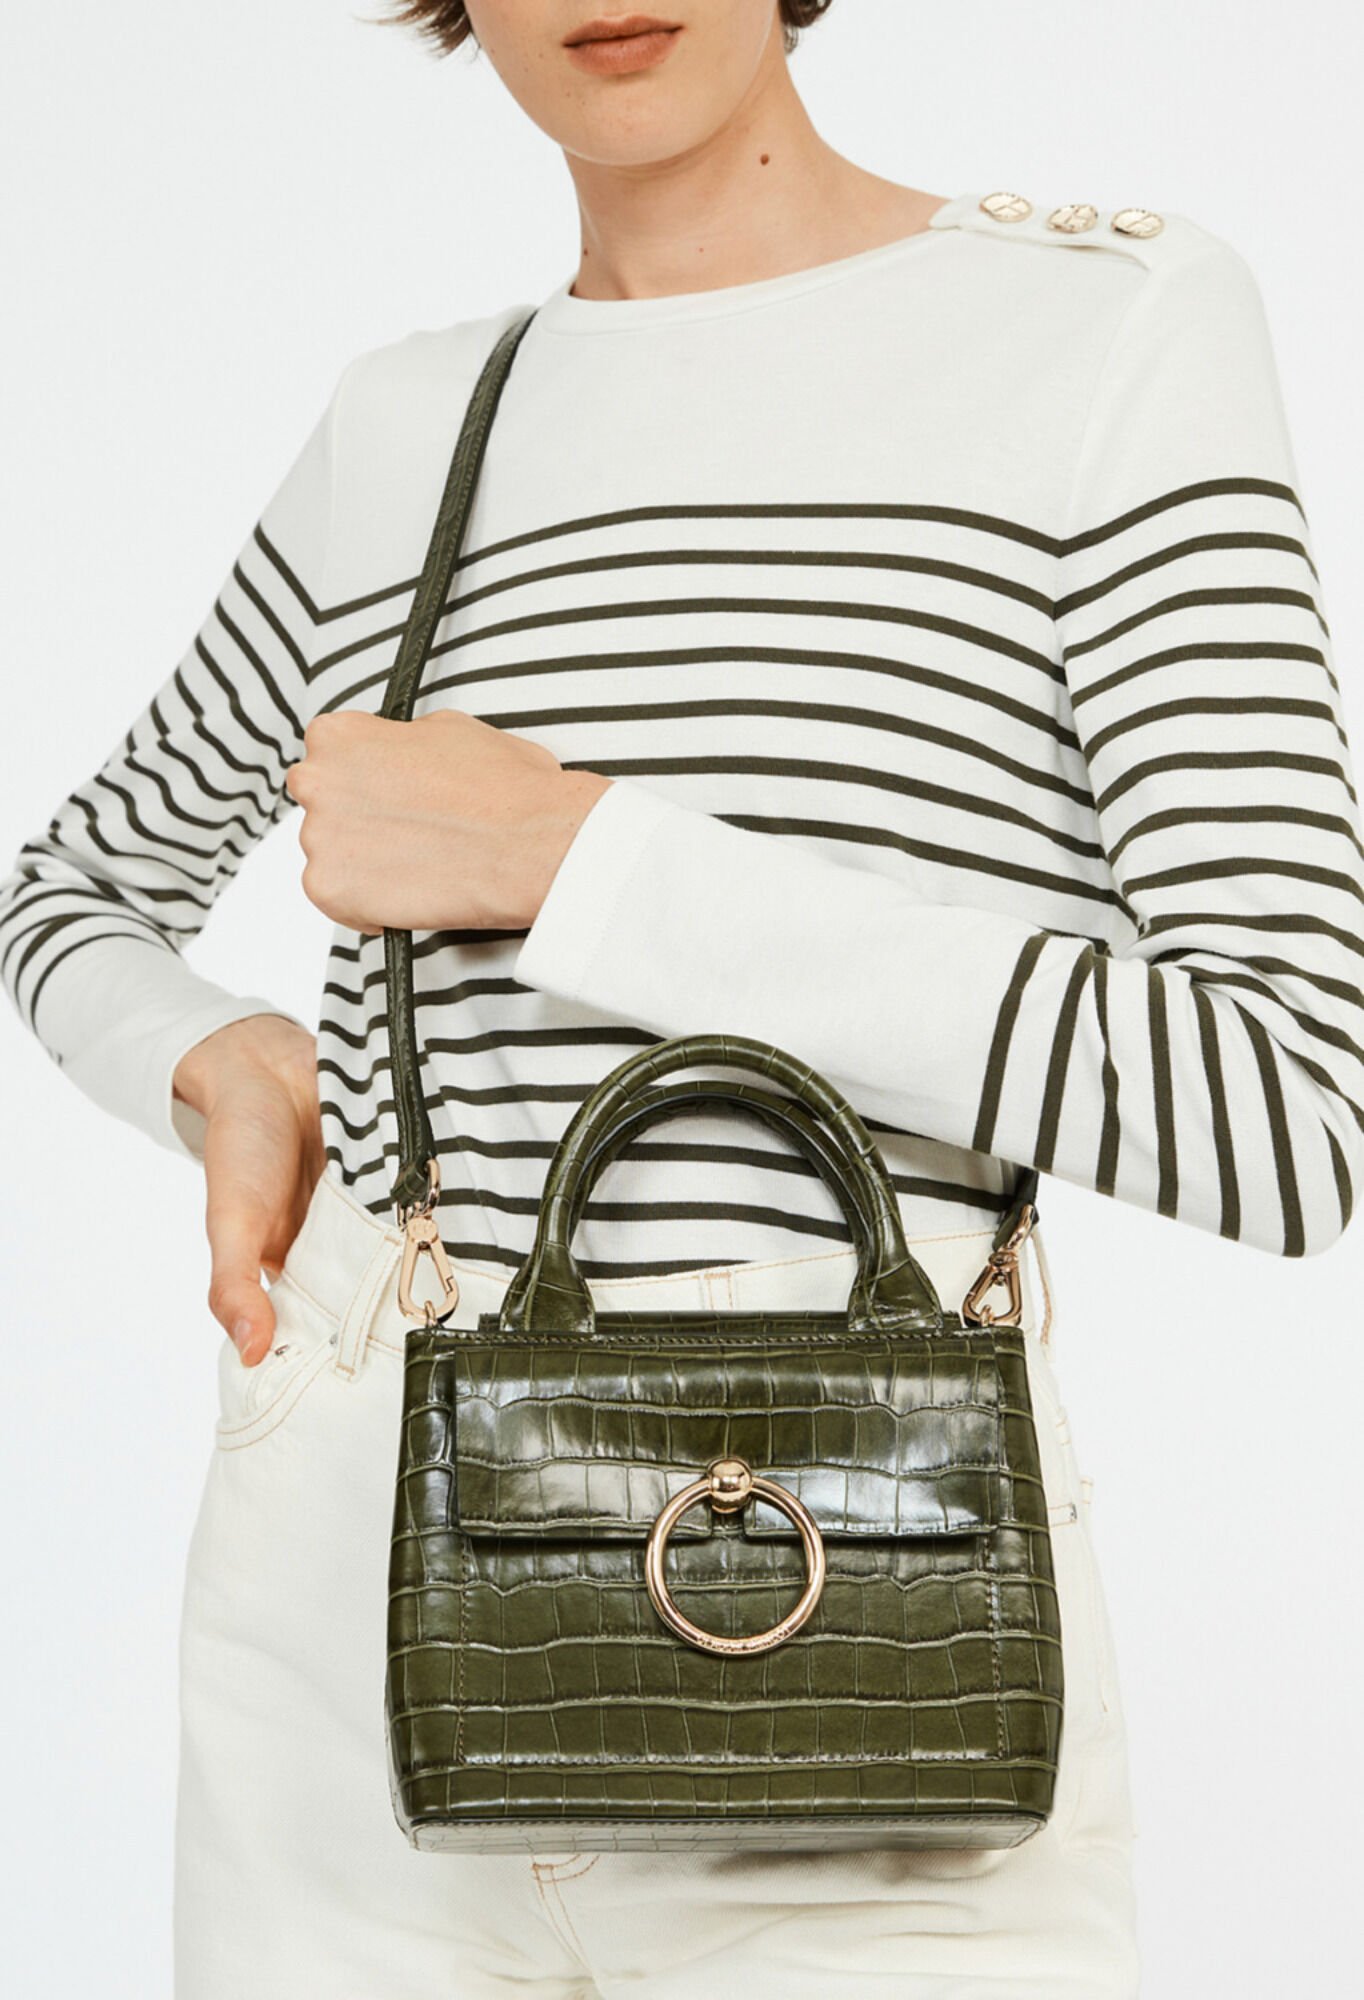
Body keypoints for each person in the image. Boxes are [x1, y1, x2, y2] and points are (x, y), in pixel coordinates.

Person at [2, 3, 1360, 1994]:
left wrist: (580, 864)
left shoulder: (1104, 326)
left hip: (877, 1570)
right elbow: (72, 892)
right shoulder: (412, 423)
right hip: (355, 1585)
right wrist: (225, 1061)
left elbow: (1286, 1108)